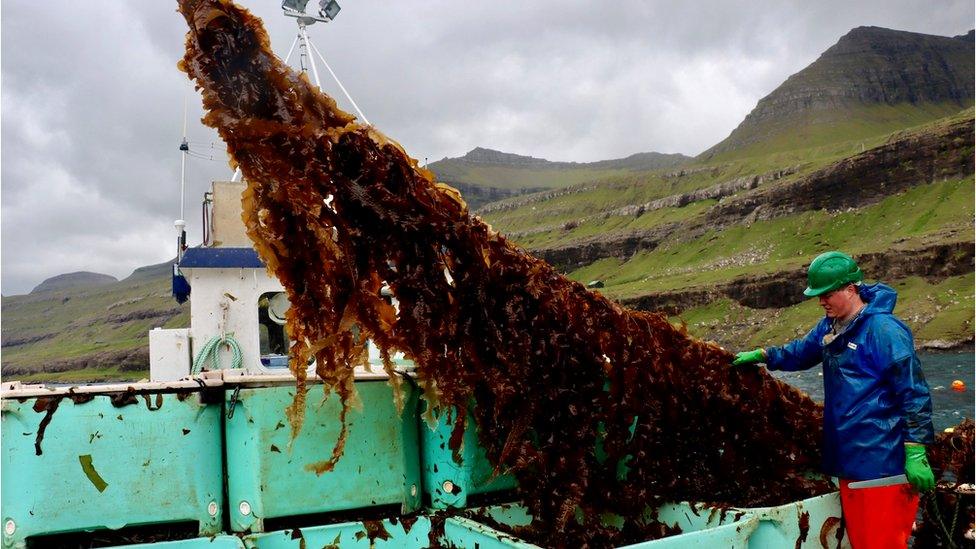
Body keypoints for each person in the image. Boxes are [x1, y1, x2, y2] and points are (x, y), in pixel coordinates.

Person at [732, 251, 935, 549]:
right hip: (848, 461)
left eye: (827, 294)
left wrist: (916, 451)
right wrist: (765, 356)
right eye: (818, 295)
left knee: (883, 543)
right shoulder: (831, 327)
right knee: (863, 542)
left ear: (850, 289)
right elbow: (801, 352)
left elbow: (914, 392)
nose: (821, 301)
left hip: (882, 464)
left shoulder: (884, 330)